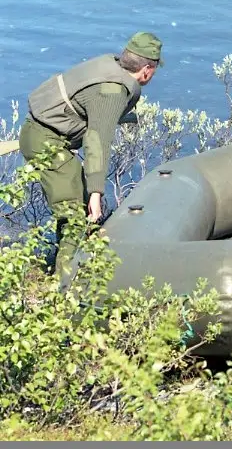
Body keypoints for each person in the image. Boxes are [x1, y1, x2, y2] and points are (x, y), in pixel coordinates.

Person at [19, 32, 163, 276]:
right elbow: (97, 141)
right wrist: (96, 192)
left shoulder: (108, 65)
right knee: (75, 214)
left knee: (80, 207)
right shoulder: (113, 91)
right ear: (147, 69)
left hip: (43, 133)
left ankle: (79, 267)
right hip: (47, 143)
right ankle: (64, 285)